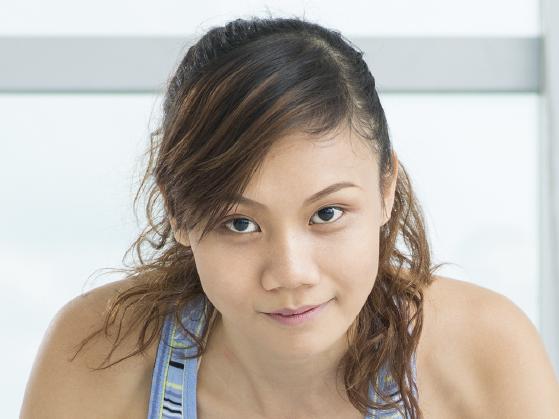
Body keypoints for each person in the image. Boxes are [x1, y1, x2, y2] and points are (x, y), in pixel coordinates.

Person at [20, 15, 559, 419]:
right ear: (178, 211)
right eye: (240, 223)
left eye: (327, 213)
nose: (291, 272)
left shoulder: (487, 351)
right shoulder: (99, 351)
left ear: (386, 188)